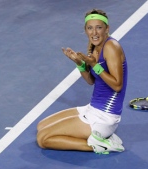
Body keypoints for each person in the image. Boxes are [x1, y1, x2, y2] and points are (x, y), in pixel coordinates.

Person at [36, 9, 128, 154]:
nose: (94, 32)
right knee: (41, 126)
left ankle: (103, 145)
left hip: (104, 117)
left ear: (107, 29)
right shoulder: (93, 47)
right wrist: (80, 64)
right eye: (90, 28)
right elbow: (91, 81)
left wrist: (94, 65)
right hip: (93, 108)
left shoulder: (111, 47)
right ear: (85, 30)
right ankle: (98, 138)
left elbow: (117, 85)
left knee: (43, 139)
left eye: (99, 27)